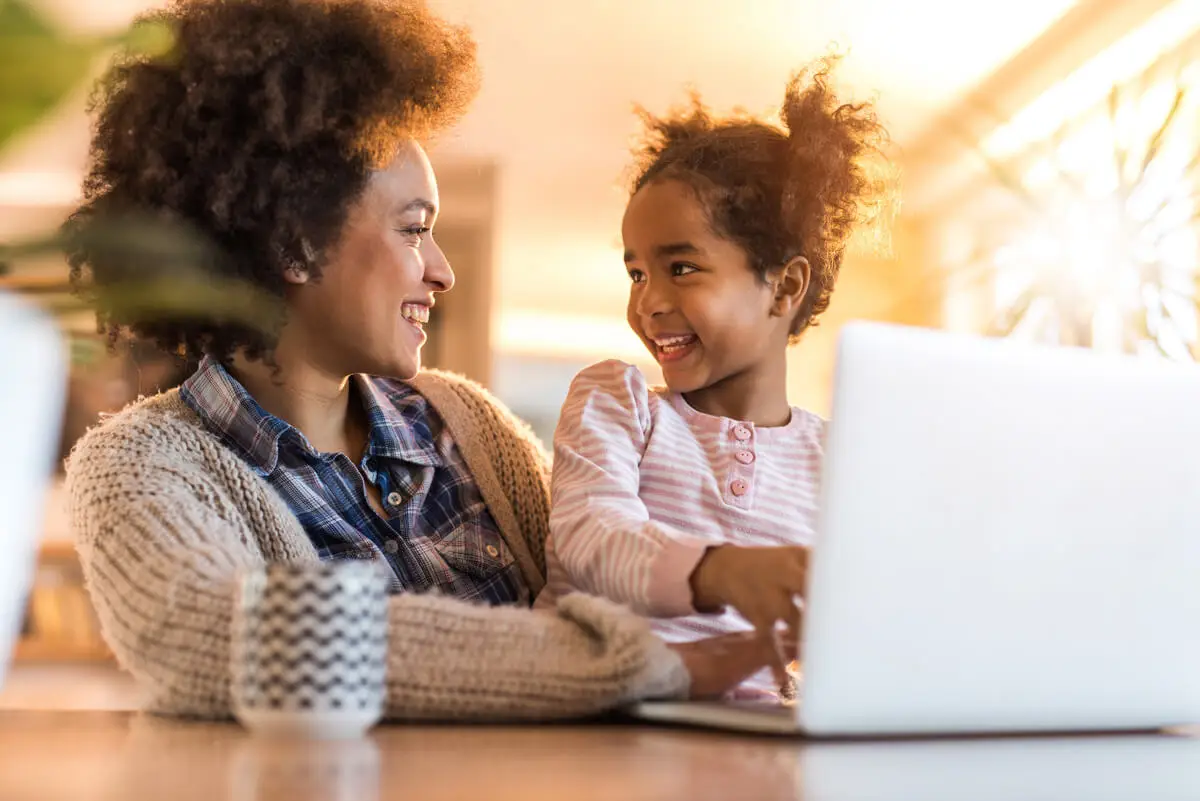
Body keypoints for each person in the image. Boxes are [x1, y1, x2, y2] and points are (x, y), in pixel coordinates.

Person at [63, 0, 771, 721]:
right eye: (414, 230)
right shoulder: (140, 465)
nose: (441, 272)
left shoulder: (468, 424)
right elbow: (214, 640)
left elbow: (609, 564)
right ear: (294, 245)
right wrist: (631, 665)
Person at [536, 60, 890, 694]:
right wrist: (721, 572)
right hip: (601, 722)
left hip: (759, 746)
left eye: (682, 269)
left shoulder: (841, 460)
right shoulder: (617, 403)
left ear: (783, 287)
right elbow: (592, 538)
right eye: (637, 273)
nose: (647, 302)